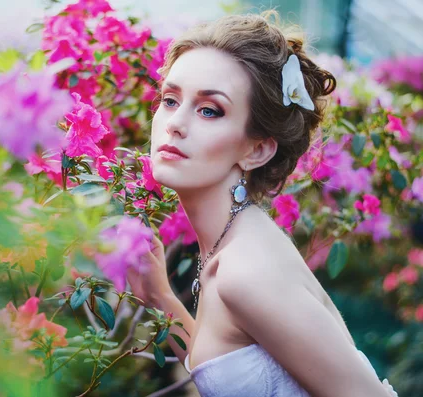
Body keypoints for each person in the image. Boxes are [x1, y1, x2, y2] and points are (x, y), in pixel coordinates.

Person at [127, 12, 398, 397]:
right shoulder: (237, 240)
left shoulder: (245, 270)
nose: (174, 123)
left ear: (257, 150)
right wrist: (160, 298)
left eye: (209, 110)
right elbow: (228, 372)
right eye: (170, 100)